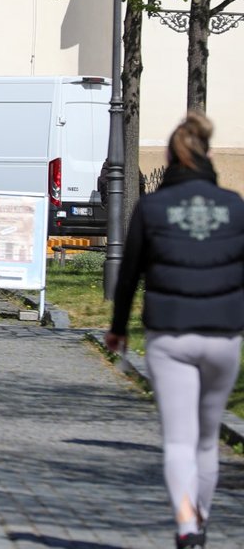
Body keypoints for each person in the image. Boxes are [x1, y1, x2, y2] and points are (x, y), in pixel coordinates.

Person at [106, 113, 244, 549]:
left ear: (169, 157)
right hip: (224, 335)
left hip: (170, 334)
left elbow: (128, 274)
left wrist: (118, 329)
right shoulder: (236, 206)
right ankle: (199, 521)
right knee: (207, 440)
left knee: (179, 442)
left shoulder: (151, 207)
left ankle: (185, 525)